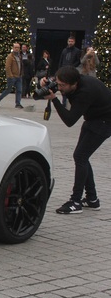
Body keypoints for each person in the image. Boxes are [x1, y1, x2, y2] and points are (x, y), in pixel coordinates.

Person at [41, 65, 111, 214]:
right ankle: (92, 199)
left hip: (104, 122)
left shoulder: (85, 92)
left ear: (74, 84)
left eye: (62, 85)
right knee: (82, 157)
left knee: (80, 156)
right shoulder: (75, 82)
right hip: (93, 119)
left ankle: (75, 202)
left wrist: (54, 100)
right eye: (58, 84)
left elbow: (70, 120)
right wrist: (46, 85)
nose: (59, 88)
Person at [0, 42, 23, 109]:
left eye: (18, 47)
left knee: (19, 90)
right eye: (15, 47)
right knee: (8, 90)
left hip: (18, 76)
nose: (17, 49)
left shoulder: (19, 56)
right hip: (12, 77)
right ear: (13, 48)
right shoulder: (10, 56)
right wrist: (10, 75)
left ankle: (18, 103)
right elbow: (8, 67)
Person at [58, 36, 81, 106]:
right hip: (63, 71)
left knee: (70, 86)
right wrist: (59, 69)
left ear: (74, 42)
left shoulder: (77, 51)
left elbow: (78, 61)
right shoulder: (64, 50)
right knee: (63, 86)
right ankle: (64, 102)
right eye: (69, 41)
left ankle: (71, 102)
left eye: (72, 41)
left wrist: (72, 67)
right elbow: (61, 60)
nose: (70, 43)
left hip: (71, 71)